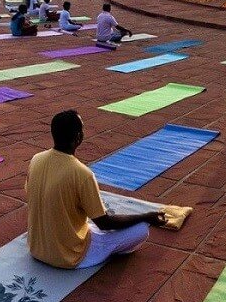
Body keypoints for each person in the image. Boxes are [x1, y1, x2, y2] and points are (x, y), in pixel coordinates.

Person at [27, 110, 165, 270]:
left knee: (84, 220)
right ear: (78, 137)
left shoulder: (36, 159)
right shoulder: (82, 173)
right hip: (68, 256)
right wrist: (146, 216)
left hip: (37, 248)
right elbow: (104, 223)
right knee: (141, 230)